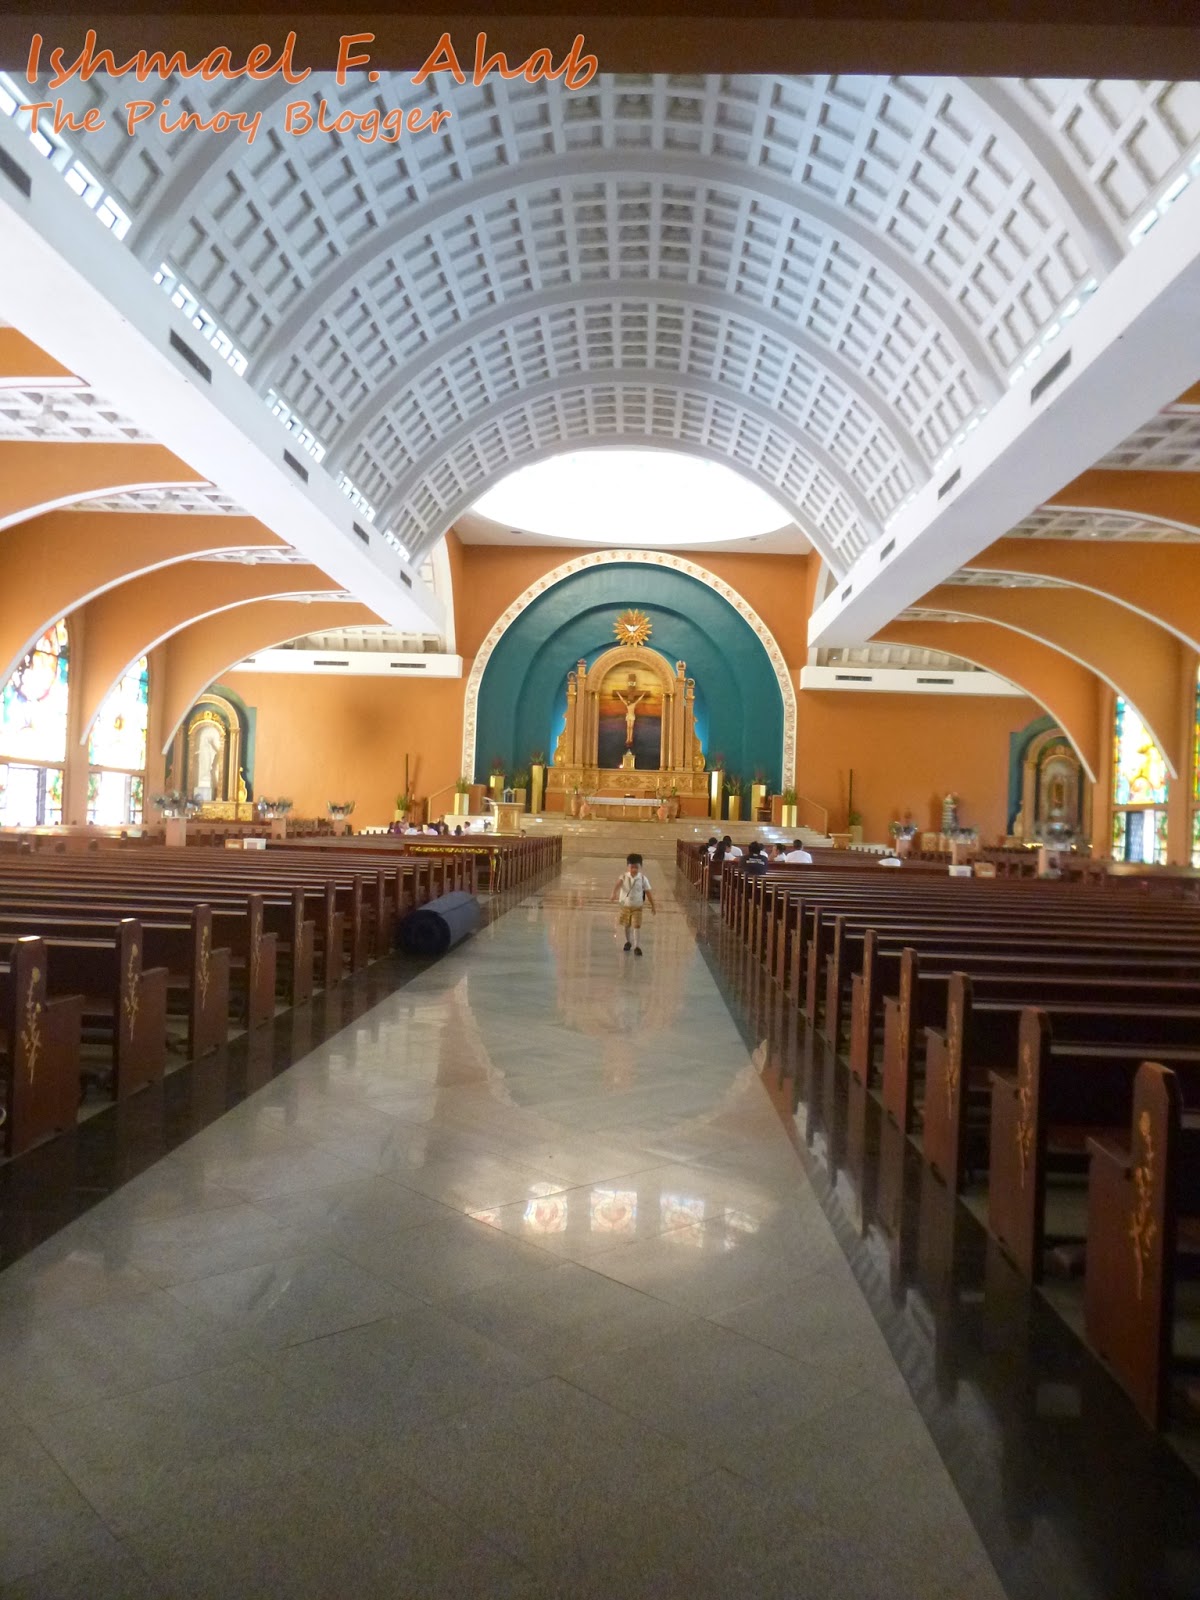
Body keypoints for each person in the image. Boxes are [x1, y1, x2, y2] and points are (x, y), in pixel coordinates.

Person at [611, 852, 656, 954]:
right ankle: (628, 941)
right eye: (632, 867)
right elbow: (617, 885)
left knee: (636, 925)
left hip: (637, 906)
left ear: (640, 867)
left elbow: (648, 892)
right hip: (625, 906)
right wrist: (613, 893)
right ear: (628, 867)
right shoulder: (623, 877)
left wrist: (653, 905)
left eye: (636, 867)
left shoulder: (643, 879)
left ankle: (637, 946)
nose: (634, 870)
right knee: (626, 925)